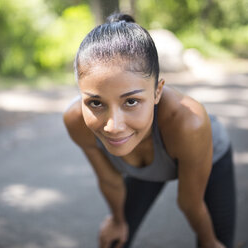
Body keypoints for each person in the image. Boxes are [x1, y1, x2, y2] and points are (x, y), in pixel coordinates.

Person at [63, 13, 236, 248]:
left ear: (157, 91)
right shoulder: (76, 121)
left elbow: (189, 203)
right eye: (95, 103)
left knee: (217, 242)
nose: (113, 126)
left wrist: (208, 241)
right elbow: (110, 179)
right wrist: (117, 220)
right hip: (145, 159)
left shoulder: (188, 123)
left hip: (206, 155)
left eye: (131, 101)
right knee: (116, 240)